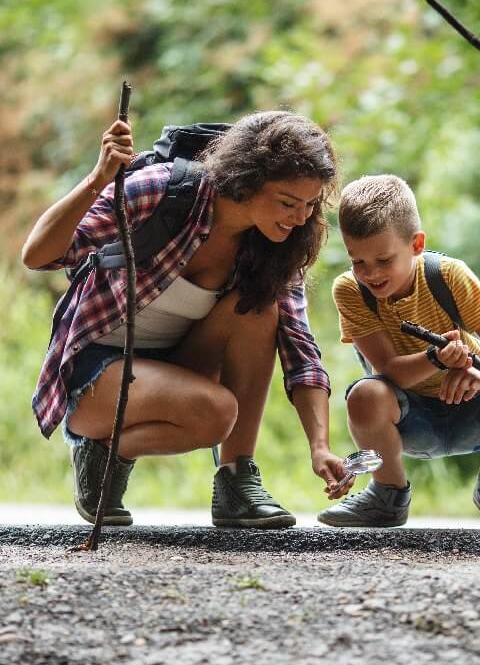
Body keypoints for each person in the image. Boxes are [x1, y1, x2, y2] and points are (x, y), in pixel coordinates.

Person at [22, 110, 355, 528]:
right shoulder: (163, 192)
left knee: (259, 309)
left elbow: (300, 349)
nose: (300, 218)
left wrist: (320, 446)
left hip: (177, 367)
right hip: (96, 375)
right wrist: (97, 180)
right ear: (247, 180)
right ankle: (100, 451)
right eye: (288, 203)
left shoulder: (277, 244)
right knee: (216, 411)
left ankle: (236, 481)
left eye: (310, 204)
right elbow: (38, 255)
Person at [317, 174, 480, 529]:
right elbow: (388, 369)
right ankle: (388, 494)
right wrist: (435, 359)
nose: (371, 274)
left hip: (473, 408)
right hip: (410, 418)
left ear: (416, 244)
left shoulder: (448, 275)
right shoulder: (351, 291)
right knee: (365, 394)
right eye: (358, 261)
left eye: (383, 260)